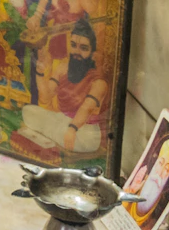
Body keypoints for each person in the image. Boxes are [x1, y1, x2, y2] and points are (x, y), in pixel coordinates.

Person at [27, 17, 111, 156]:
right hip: (62, 121)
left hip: (84, 132)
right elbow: (45, 97)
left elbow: (86, 108)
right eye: (73, 45)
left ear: (92, 52)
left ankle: (53, 137)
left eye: (83, 48)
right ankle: (55, 136)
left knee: (64, 130)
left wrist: (72, 129)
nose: (76, 52)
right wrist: (40, 72)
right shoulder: (62, 68)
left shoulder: (99, 83)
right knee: (28, 111)